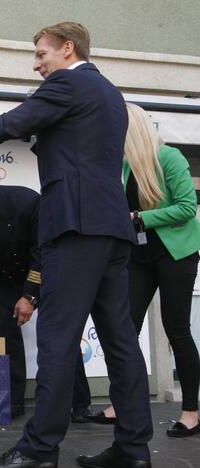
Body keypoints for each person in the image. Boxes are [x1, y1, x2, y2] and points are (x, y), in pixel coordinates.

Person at [0, 22, 153, 468]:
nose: (37, 64)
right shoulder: (110, 94)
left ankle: (39, 450)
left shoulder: (69, 83)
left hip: (76, 228)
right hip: (111, 228)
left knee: (57, 339)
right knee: (121, 342)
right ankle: (134, 449)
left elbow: (11, 123)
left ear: (67, 48)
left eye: (41, 54)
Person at [87, 103, 200, 438]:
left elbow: (187, 207)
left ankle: (191, 411)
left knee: (176, 330)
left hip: (176, 253)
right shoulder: (121, 166)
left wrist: (139, 218)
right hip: (139, 255)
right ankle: (121, 403)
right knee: (124, 328)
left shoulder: (170, 158)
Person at [0, 166, 93, 422]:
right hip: (4, 275)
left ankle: (79, 403)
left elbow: (42, 252)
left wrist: (29, 296)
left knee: (60, 334)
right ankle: (12, 401)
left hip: (44, 271)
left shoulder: (26, 201)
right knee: (7, 336)